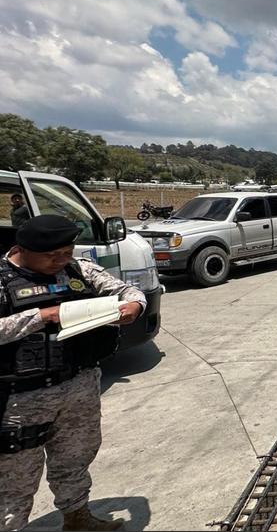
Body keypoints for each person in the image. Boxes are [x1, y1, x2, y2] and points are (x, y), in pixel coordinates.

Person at [0, 215, 146, 531]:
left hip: (79, 386)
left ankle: (77, 518)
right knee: (15, 478)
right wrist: (40, 316)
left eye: (67, 252)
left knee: (75, 459)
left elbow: (128, 291)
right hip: (20, 400)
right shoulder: (2, 279)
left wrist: (133, 306)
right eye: (53, 255)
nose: (61, 261)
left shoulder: (78, 269)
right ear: (22, 249)